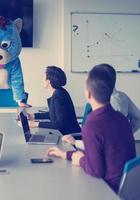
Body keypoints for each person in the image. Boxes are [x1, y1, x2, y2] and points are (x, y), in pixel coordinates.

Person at [47, 65, 136, 193]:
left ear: (88, 93)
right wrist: (66, 154)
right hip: (127, 187)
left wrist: (80, 160)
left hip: (109, 189)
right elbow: (99, 153)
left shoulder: (92, 125)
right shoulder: (121, 119)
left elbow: (96, 171)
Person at [81, 64, 140, 133]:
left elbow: (88, 134)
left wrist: (76, 142)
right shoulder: (122, 96)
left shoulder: (95, 103)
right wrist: (127, 133)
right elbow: (138, 118)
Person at [27, 66, 81, 135]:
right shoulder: (60, 92)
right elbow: (53, 114)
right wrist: (33, 116)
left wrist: (36, 124)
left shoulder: (58, 97)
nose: (42, 80)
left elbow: (60, 125)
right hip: (63, 134)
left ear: (48, 81)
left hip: (69, 138)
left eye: (43, 78)